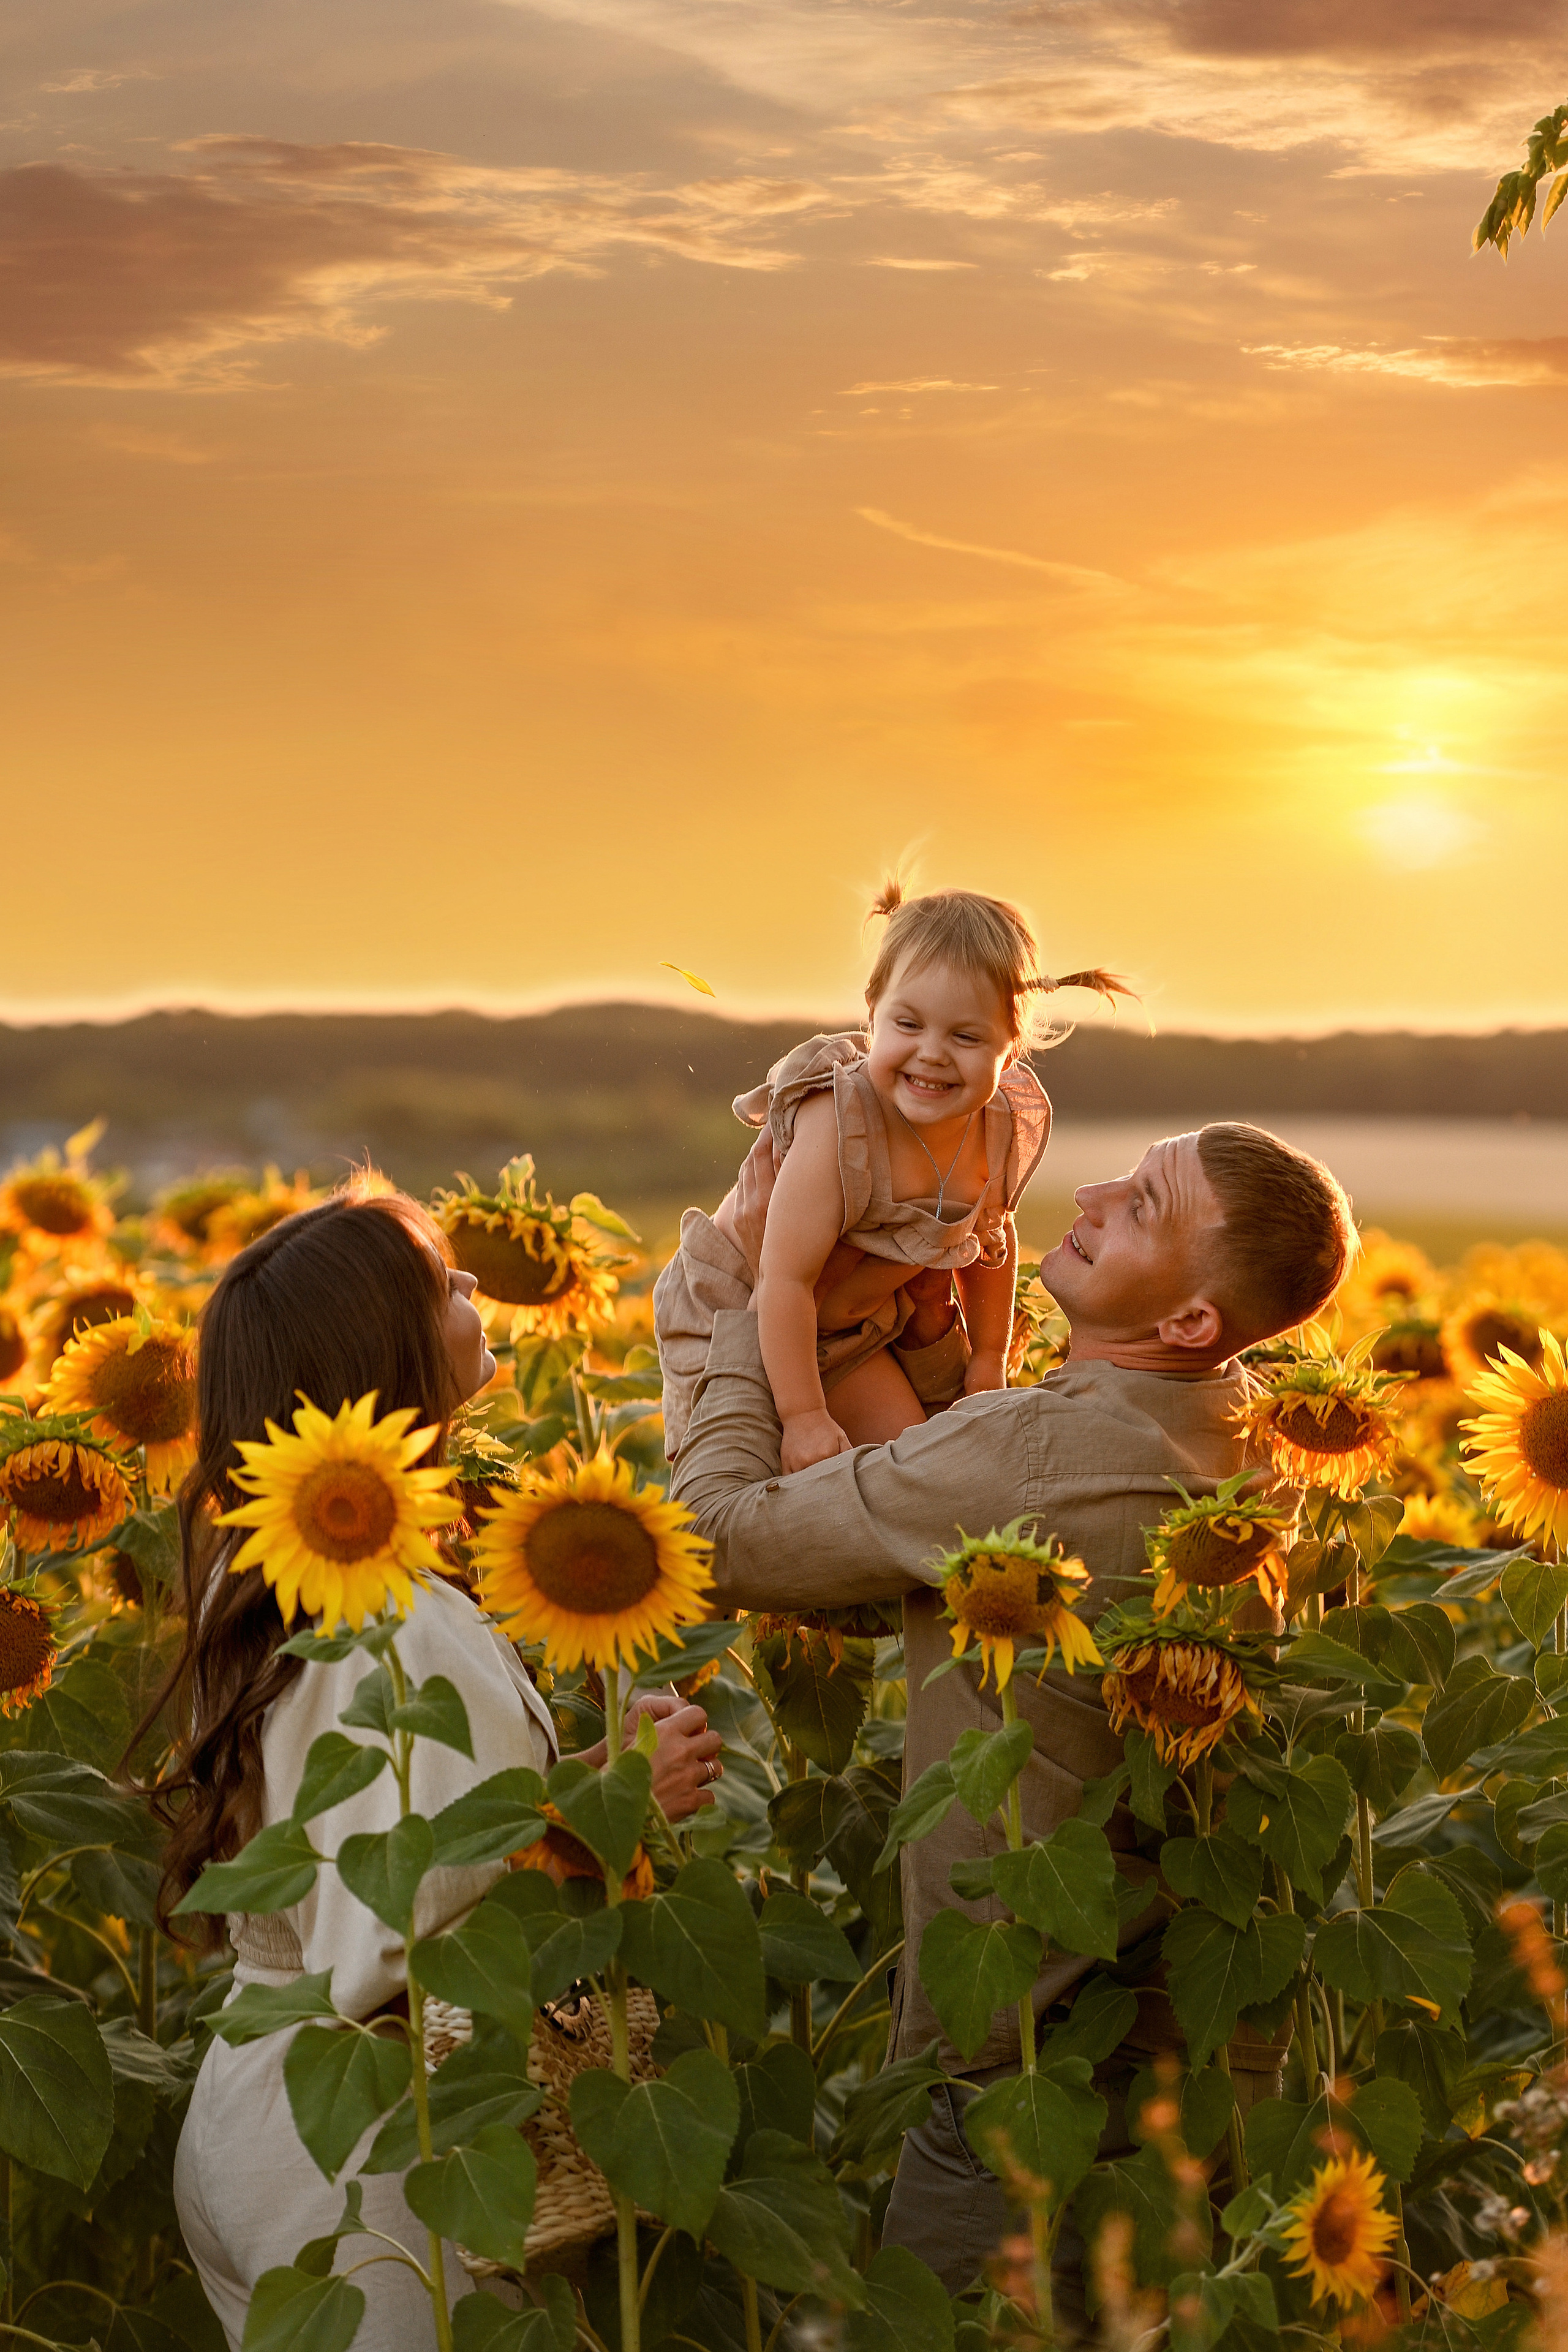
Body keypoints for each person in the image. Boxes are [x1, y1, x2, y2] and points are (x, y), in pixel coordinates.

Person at [670, 1120, 1355, 2305]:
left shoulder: (1035, 1450)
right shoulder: (1262, 1445)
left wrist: (746, 1284)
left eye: (1142, 1204)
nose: (1088, 1193)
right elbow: (931, 1562)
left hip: (1015, 2067)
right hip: (1196, 2066)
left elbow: (719, 1541)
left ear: (1192, 1322)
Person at [152, 1186, 722, 2351]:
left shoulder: (276, 1569)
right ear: (385, 1353)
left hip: (270, 2105)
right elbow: (391, 1935)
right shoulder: (389, 1615)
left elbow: (377, 1836)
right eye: (444, 1283)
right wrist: (605, 1822)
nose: (474, 1293)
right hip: (372, 2152)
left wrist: (595, 1779)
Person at [654, 882, 1129, 1472]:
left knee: (909, 1471)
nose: (932, 1053)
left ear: (1011, 1048)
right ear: (873, 1014)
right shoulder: (839, 1121)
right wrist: (803, 1417)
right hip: (736, 1313)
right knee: (737, 1481)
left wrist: (987, 1355)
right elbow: (786, 1281)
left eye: (965, 1036)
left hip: (853, 1336)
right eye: (908, 1025)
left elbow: (992, 1240)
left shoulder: (998, 1130)